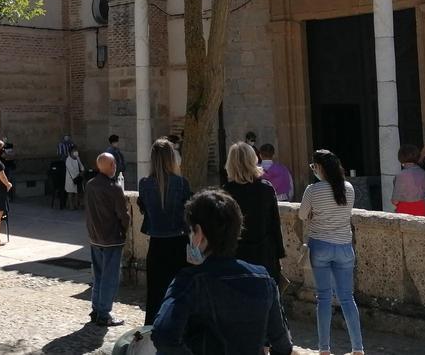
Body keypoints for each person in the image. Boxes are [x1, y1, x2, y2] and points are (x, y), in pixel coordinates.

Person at [151, 189, 292, 355]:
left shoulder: (189, 282)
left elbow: (163, 335)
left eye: (191, 231)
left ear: (199, 233)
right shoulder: (263, 279)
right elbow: (283, 345)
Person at [298, 150, 364, 355]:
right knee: (347, 298)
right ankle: (358, 347)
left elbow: (301, 214)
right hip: (344, 246)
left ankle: (324, 348)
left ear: (319, 168)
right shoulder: (349, 188)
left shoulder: (313, 190)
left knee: (324, 298)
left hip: (321, 245)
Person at [137, 139, 192, 326]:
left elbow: (143, 208)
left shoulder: (144, 184)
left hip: (157, 244)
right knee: (180, 293)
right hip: (178, 243)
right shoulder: (181, 183)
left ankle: (152, 336)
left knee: (155, 296)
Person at [221, 142, 285, 282]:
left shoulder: (225, 193)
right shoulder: (266, 189)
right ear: (253, 161)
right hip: (264, 256)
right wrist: (279, 255)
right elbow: (275, 224)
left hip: (236, 258)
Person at [85, 152, 130, 327]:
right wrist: (124, 230)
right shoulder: (114, 188)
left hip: (95, 236)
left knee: (99, 275)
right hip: (111, 237)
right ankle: (104, 313)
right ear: (111, 167)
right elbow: (123, 215)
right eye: (114, 165)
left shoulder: (90, 185)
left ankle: (96, 309)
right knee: (109, 277)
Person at [393, 144, 425, 216]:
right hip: (421, 208)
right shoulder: (423, 172)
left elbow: (395, 201)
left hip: (405, 211)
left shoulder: (401, 175)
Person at [65, 144, 85, 210]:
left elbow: (82, 167)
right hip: (70, 179)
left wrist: (78, 160)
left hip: (77, 178)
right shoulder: (68, 160)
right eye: (74, 151)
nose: (75, 152)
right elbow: (71, 170)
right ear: (70, 152)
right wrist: (79, 174)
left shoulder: (77, 158)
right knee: (70, 192)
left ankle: (76, 204)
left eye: (76, 150)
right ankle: (70, 205)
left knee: (77, 192)